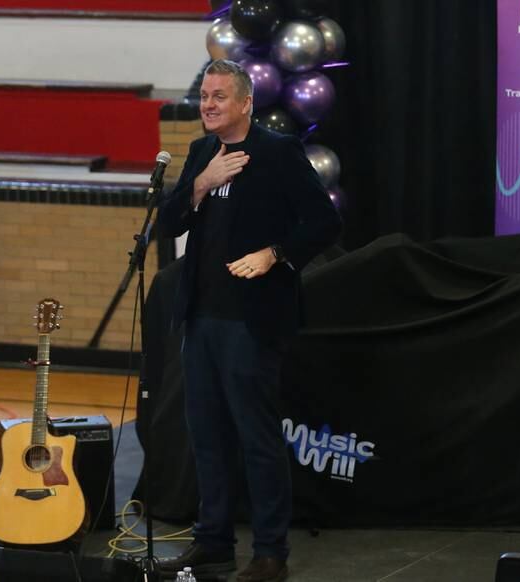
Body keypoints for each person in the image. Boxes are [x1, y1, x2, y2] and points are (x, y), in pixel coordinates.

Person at [156, 59, 342, 582]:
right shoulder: (199, 153)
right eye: (204, 97)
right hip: (202, 315)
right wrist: (200, 184)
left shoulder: (277, 152)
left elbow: (325, 221)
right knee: (207, 437)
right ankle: (212, 542)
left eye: (219, 96)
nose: (208, 105)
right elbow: (167, 222)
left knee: (256, 437)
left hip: (251, 319)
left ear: (245, 103)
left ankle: (269, 553)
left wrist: (276, 253)